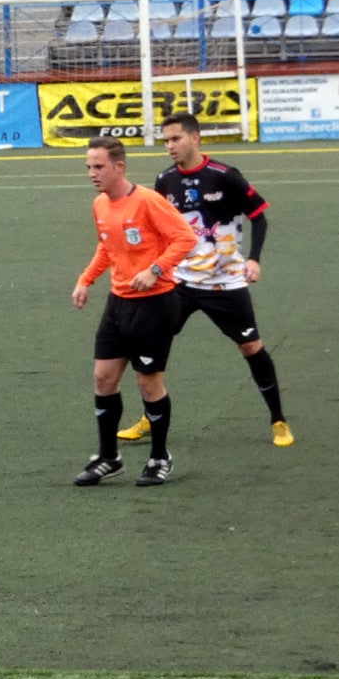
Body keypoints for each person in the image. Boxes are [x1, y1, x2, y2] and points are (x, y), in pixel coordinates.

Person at [113, 113, 292, 448]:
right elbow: (157, 228)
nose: (169, 146)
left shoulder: (225, 177)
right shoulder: (165, 180)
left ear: (195, 138)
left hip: (225, 284)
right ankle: (149, 418)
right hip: (178, 283)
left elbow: (259, 217)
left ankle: (278, 419)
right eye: (165, 140)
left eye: (175, 139)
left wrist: (253, 259)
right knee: (152, 346)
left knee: (250, 346)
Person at [71, 136, 198, 487]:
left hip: (155, 303)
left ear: (119, 167)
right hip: (119, 303)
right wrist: (86, 279)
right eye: (88, 167)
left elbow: (185, 238)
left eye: (98, 166)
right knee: (103, 377)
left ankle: (160, 456)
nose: (92, 173)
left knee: (148, 382)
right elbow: (107, 247)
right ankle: (109, 457)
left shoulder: (147, 201)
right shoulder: (100, 204)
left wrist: (155, 269)